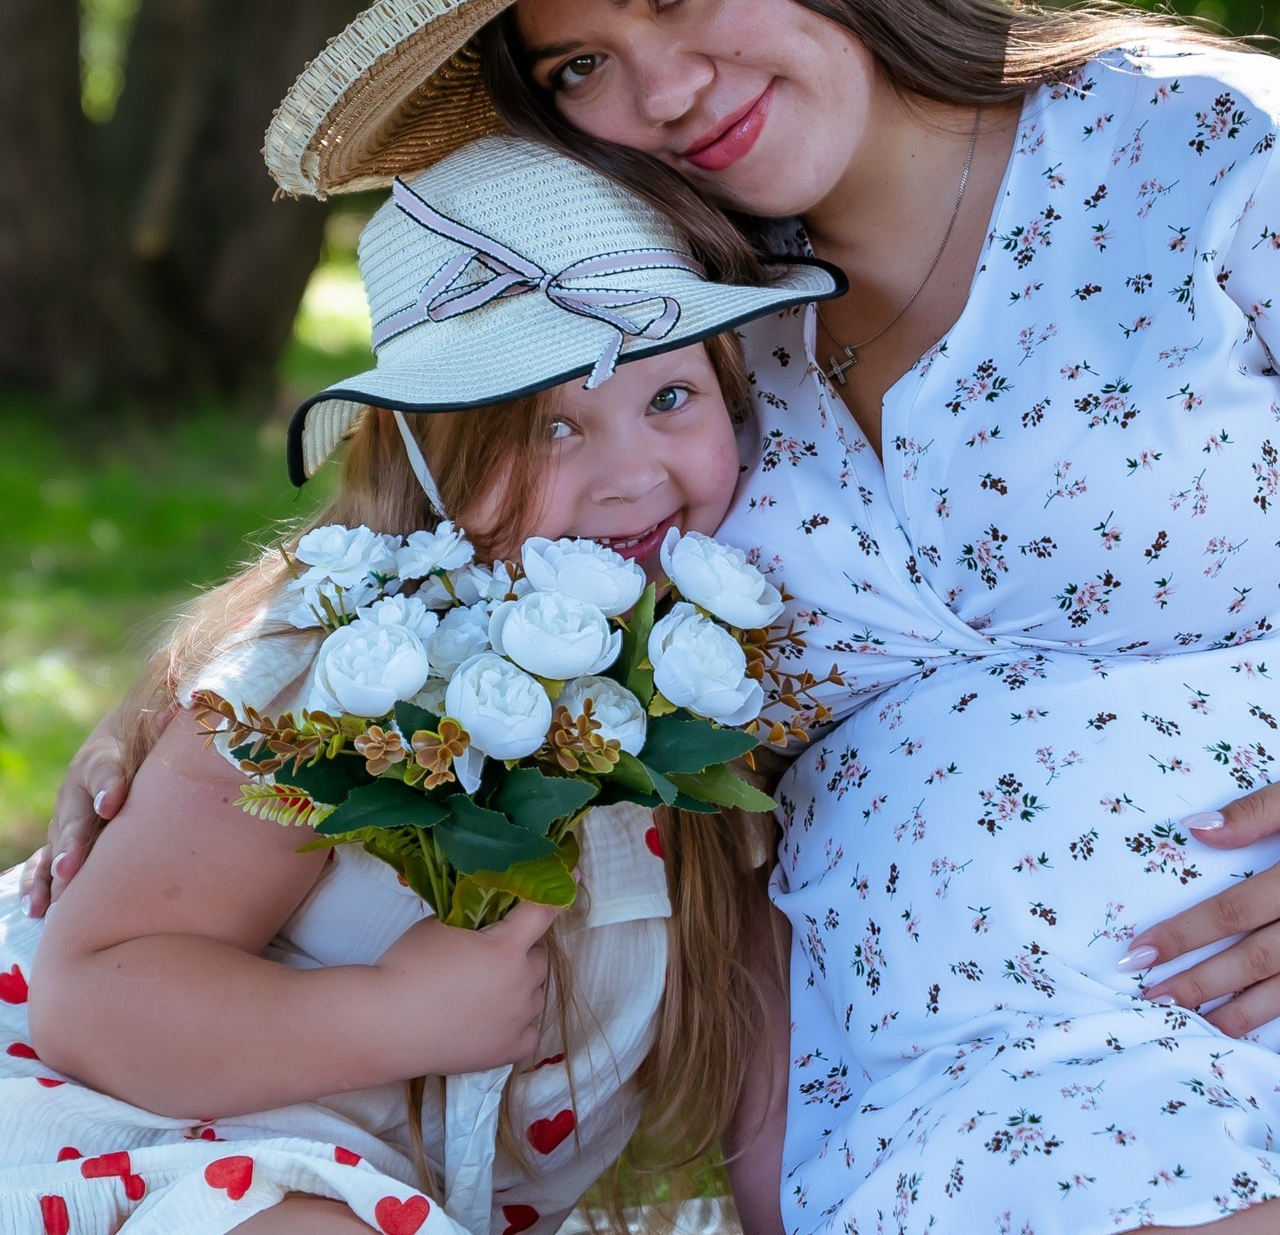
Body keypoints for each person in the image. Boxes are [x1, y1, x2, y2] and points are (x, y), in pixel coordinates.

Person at [27, 0, 1280, 1232]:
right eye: (577, 66)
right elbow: (467, 511)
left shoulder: (1209, 152)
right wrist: (188, 696)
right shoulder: (691, 326)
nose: (661, 92)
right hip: (914, 1123)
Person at [0, 134, 839, 1234]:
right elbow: (92, 997)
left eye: (671, 396)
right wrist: (389, 1012)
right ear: (425, 462)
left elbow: (771, 1105)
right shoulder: (323, 679)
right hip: (151, 1138)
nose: (631, 474)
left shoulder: (718, 698)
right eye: (548, 424)